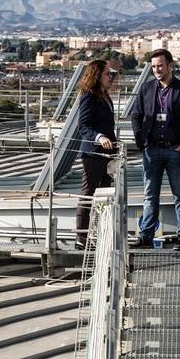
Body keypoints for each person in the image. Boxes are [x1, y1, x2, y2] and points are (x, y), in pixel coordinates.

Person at [131, 48, 180, 251]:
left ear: (170, 66)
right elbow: (136, 115)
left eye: (160, 65)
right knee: (150, 195)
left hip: (174, 151)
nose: (157, 70)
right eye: (153, 66)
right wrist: (140, 141)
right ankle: (146, 237)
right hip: (151, 150)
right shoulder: (147, 88)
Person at [76, 59, 118, 249]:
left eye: (112, 74)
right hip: (93, 153)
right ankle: (81, 238)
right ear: (97, 75)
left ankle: (98, 234)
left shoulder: (104, 96)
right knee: (88, 193)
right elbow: (83, 125)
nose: (111, 77)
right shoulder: (88, 96)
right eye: (108, 73)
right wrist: (99, 137)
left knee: (104, 194)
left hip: (107, 154)